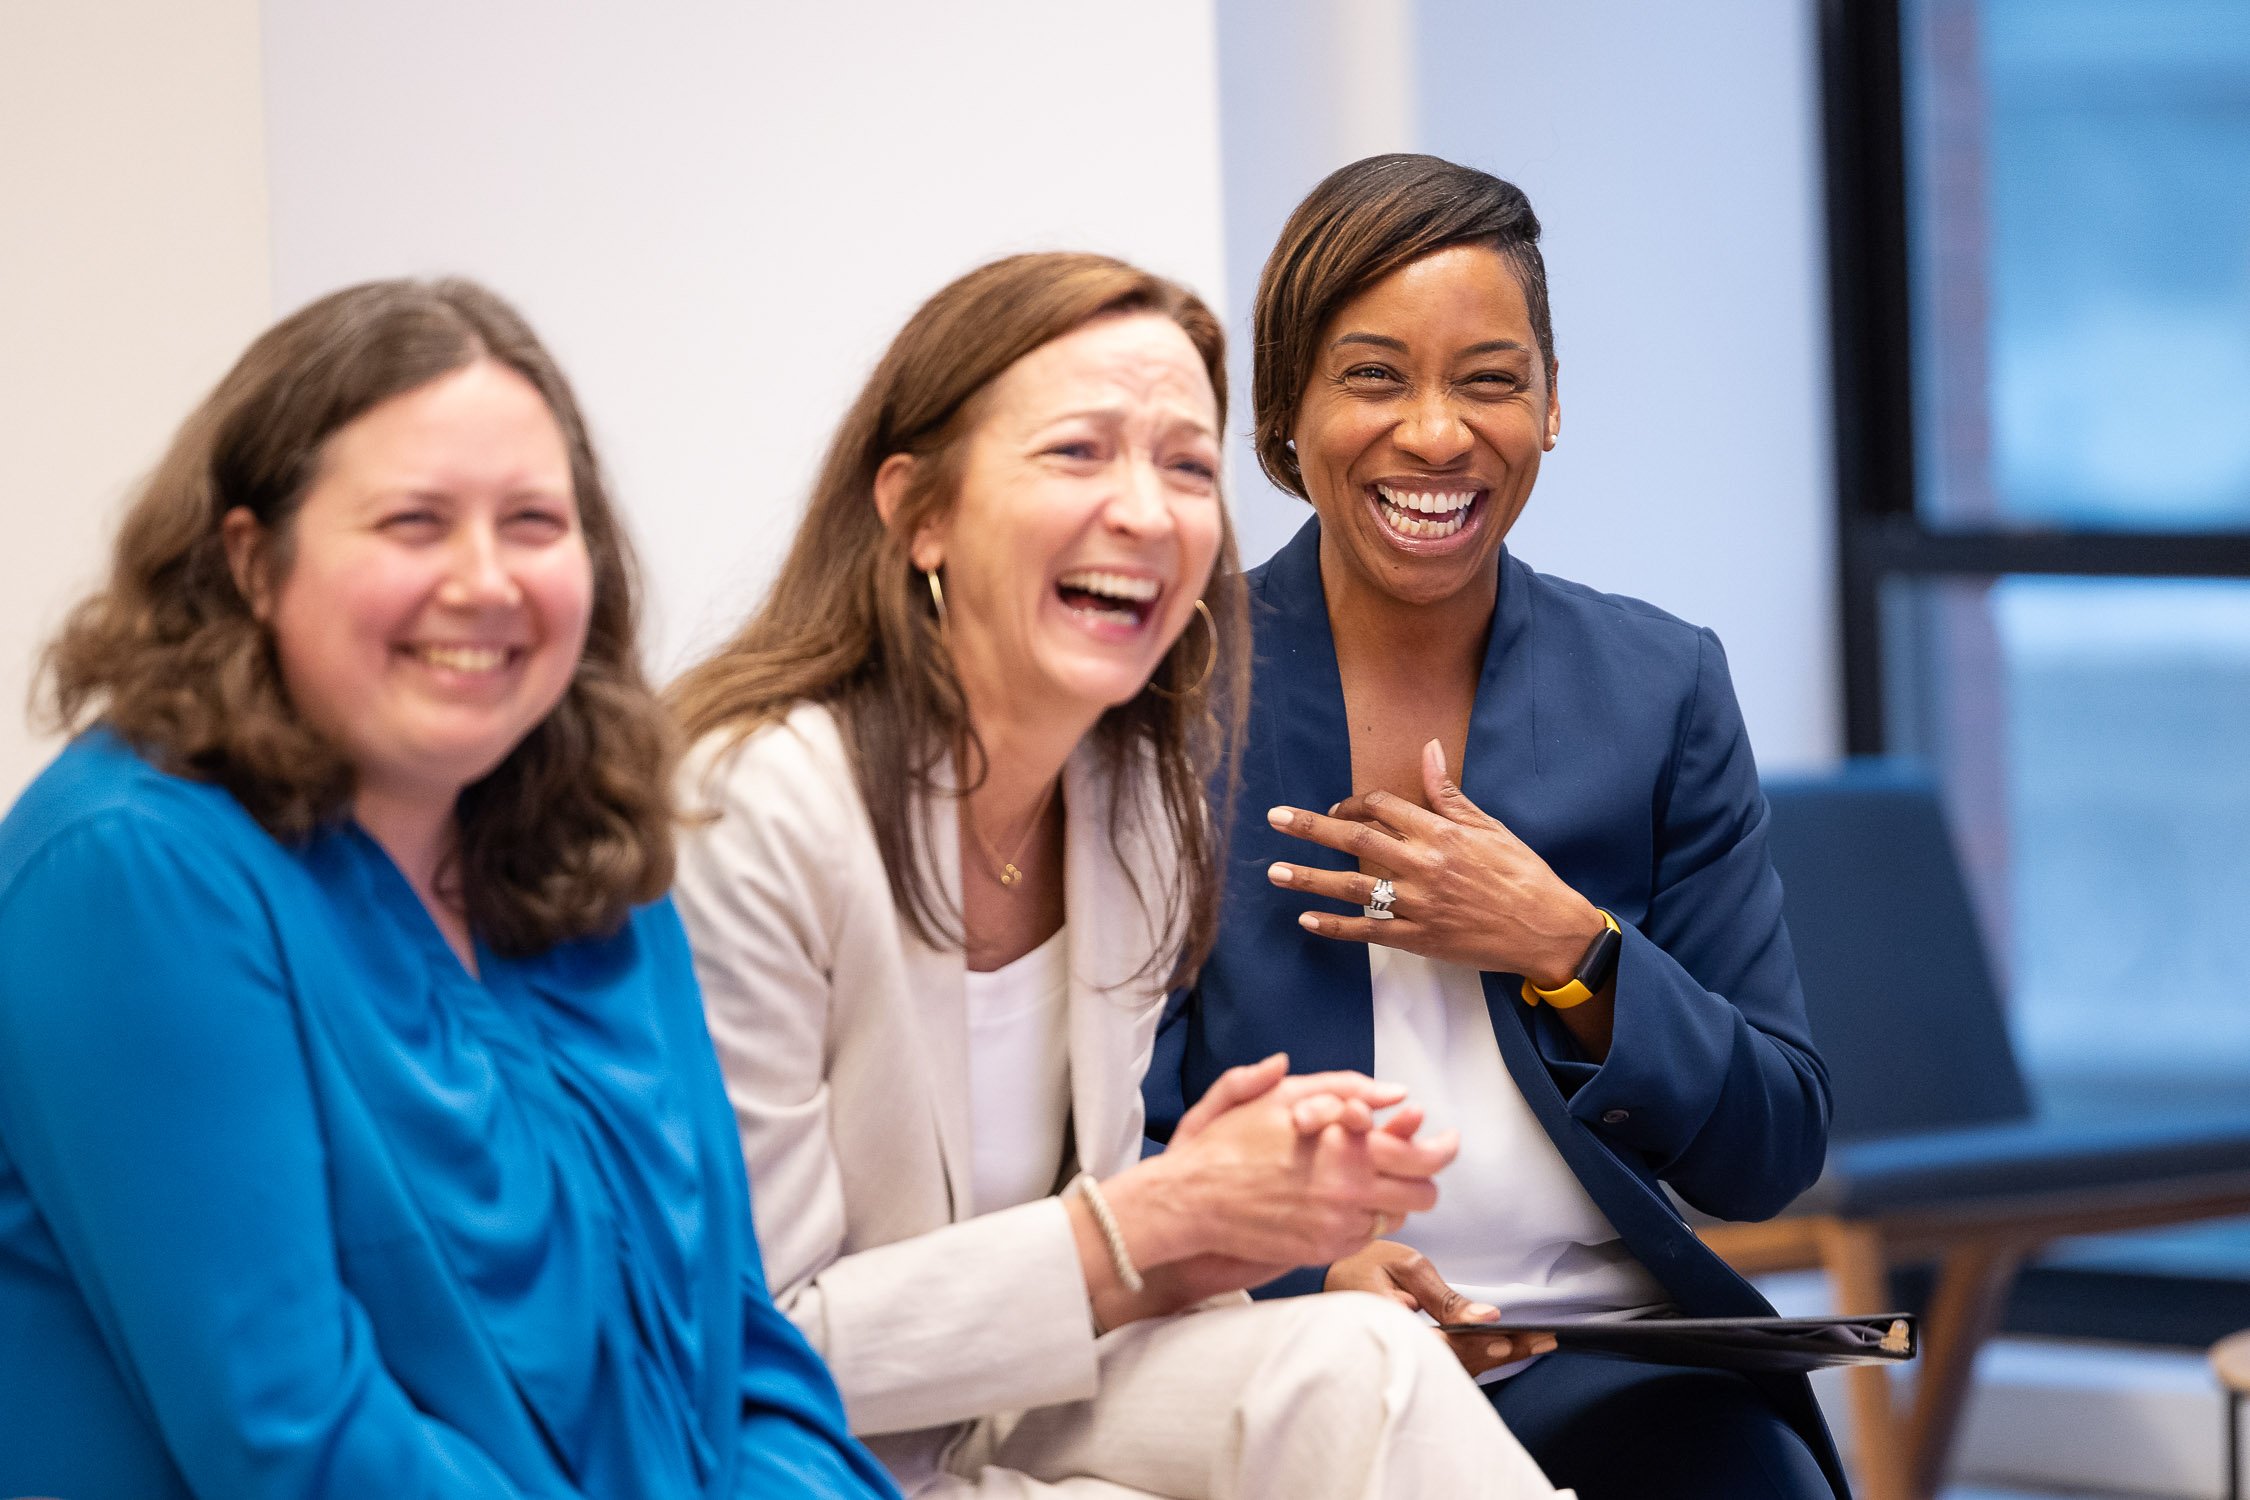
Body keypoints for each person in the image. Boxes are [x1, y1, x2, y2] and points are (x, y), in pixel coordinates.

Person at [668, 252, 1567, 1500]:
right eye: (1079, 453)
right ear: (918, 511)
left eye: (1185, 466)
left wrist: (1219, 1233)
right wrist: (1153, 1224)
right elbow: (739, 1355)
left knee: (1364, 1359)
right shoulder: (756, 812)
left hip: (996, 1417)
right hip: (767, 1455)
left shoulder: (1132, 805)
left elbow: (1064, 1288)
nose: (1147, 512)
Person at [0, 279, 899, 1500]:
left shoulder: (589, 859)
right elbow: (296, 1438)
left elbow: (740, 1350)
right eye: (415, 523)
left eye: (533, 521)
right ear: (253, 560)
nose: (485, 582)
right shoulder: (128, 876)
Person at [1142, 155, 1847, 1500]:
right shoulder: (1172, 692)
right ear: (1283, 414)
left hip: (1607, 1356)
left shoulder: (1655, 686)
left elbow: (1771, 1142)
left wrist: (1567, 946)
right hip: (1288, 1347)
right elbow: (1109, 1124)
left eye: (1486, 376)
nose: (1435, 434)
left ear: (1550, 402)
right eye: (1370, 377)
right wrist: (1306, 1272)